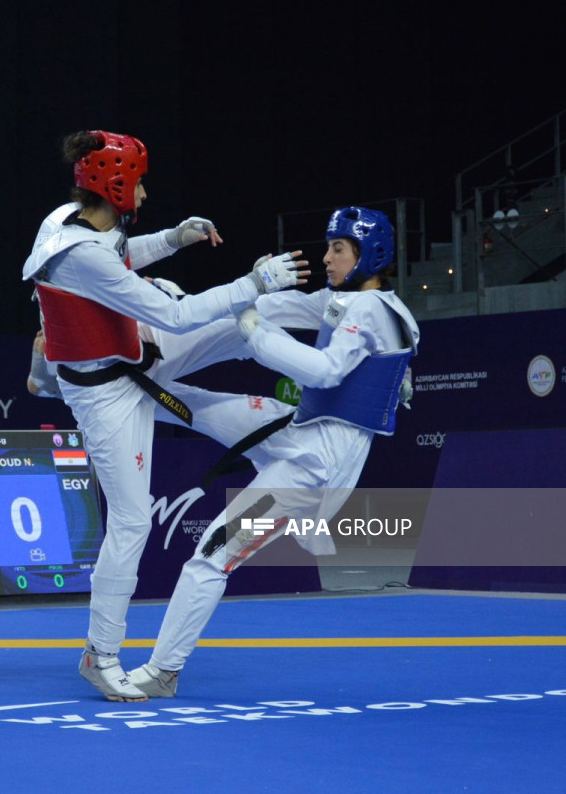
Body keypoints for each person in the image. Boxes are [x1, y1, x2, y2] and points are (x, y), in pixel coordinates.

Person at [22, 129, 306, 702]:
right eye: (141, 182)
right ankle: (100, 655)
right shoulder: (77, 256)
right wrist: (251, 279)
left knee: (240, 322)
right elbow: (173, 315)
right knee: (130, 521)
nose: (146, 192)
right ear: (116, 185)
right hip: (107, 393)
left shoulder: (75, 219)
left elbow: (122, 254)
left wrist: (173, 240)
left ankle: (334, 339)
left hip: (134, 350)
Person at [127, 206, 419, 698]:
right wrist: (250, 289)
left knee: (212, 553)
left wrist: (252, 330)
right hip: (299, 434)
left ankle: (163, 671)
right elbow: (283, 311)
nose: (327, 257)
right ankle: (125, 390)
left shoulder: (372, 311)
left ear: (370, 255)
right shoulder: (349, 304)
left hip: (312, 472)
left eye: (338, 249)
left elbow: (324, 371)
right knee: (202, 407)